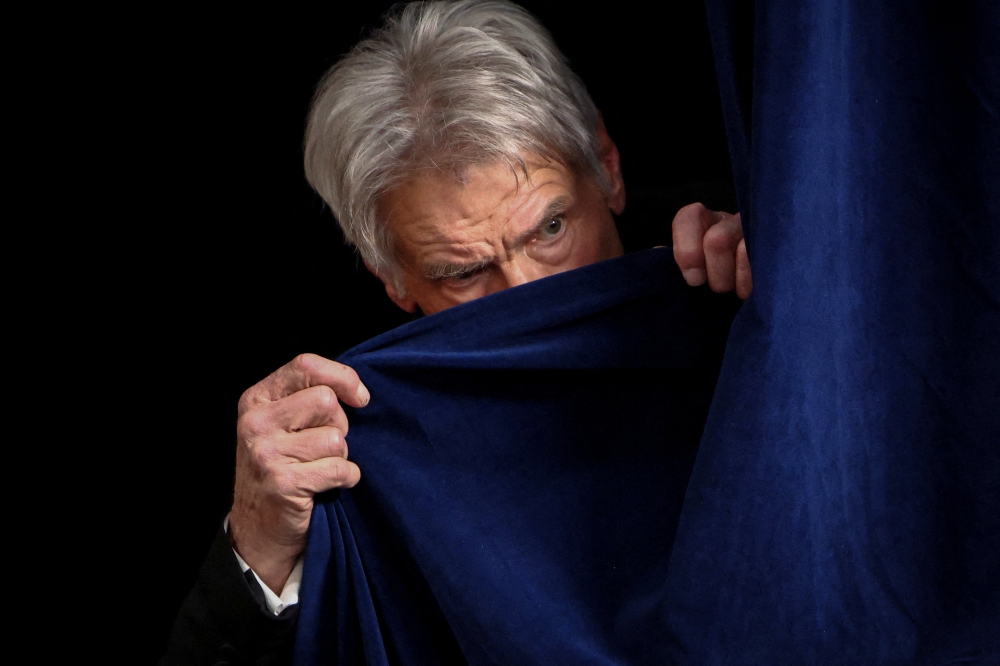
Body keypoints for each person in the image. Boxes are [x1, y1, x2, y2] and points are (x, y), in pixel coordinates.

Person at [162, 1, 751, 663]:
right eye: (463, 271)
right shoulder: (344, 432)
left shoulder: (754, 263)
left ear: (606, 165)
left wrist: (814, 306)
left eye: (549, 230)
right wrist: (260, 548)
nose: (529, 293)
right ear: (392, 276)